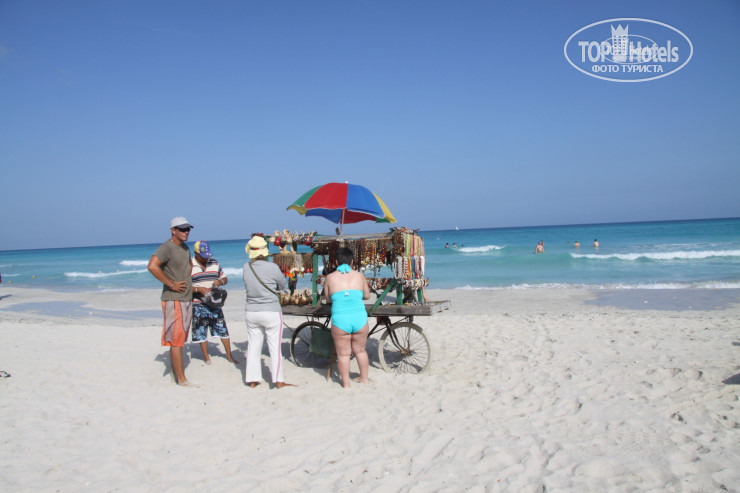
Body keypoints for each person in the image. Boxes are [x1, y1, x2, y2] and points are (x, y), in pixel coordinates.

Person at [147, 216, 195, 386]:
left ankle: (179, 376)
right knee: (176, 340)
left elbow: (188, 268)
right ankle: (181, 379)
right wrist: (171, 284)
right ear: (173, 231)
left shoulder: (185, 248)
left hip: (186, 298)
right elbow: (152, 266)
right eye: (182, 229)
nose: (186, 232)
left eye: (188, 229)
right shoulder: (166, 247)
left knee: (180, 338)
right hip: (174, 299)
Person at [242, 236, 293, 389]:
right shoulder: (272, 267)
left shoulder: (246, 267)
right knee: (274, 348)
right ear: (264, 252)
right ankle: (278, 381)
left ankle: (252, 381)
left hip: (252, 311)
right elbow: (282, 285)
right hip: (271, 311)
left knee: (253, 347)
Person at [323, 247, 371, 388]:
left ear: (336, 262)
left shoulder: (329, 278)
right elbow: (367, 295)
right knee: (360, 351)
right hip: (359, 319)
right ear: (352, 262)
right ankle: (364, 379)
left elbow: (328, 299)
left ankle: (346, 384)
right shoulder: (359, 276)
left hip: (340, 320)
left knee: (343, 354)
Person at [190, 240, 237, 365]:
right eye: (203, 256)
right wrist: (199, 289)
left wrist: (220, 282)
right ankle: (206, 358)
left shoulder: (215, 263)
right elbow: (185, 287)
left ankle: (229, 355)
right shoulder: (189, 265)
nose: (206, 258)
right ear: (196, 253)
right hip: (198, 304)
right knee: (201, 331)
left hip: (214, 302)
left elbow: (225, 278)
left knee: (222, 329)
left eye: (207, 255)